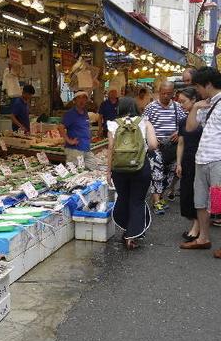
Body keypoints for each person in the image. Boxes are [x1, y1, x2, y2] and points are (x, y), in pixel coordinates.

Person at [107, 97, 158, 249]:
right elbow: (154, 145)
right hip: (140, 167)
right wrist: (142, 150)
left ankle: (126, 229)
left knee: (123, 198)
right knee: (137, 200)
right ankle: (131, 236)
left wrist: (108, 172)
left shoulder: (113, 124)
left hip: (119, 169)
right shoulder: (145, 122)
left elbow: (110, 149)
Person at [180, 67, 221, 255]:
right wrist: (195, 107)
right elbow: (189, 129)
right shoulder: (207, 103)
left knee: (218, 203)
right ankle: (203, 238)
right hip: (201, 159)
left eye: (198, 86)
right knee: (200, 202)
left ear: (209, 84)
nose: (196, 90)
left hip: (217, 161)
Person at [143, 81, 187, 214]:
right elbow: (143, 124)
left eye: (169, 93)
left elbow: (185, 123)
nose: (166, 96)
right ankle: (156, 201)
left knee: (171, 172)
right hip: (156, 146)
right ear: (158, 92)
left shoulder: (177, 107)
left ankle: (160, 195)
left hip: (173, 146)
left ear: (173, 93)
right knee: (157, 172)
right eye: (163, 93)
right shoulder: (151, 107)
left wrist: (179, 132)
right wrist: (151, 137)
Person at [175, 87, 203, 243]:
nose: (181, 105)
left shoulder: (204, 118)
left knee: (198, 193)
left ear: (194, 100)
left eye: (183, 101)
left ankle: (197, 227)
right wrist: (178, 163)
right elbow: (181, 143)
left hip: (202, 159)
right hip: (187, 160)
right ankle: (196, 224)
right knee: (187, 193)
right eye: (180, 102)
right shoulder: (183, 121)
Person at [58, 91, 97, 169]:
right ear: (74, 101)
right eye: (79, 98)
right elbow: (60, 127)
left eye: (84, 98)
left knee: (92, 166)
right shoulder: (70, 114)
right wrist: (69, 141)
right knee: (74, 171)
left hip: (86, 148)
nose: (81, 100)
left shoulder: (85, 112)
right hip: (75, 150)